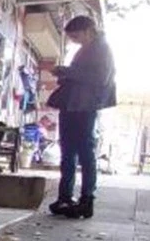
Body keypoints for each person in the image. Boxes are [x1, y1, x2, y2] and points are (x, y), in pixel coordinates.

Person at [46, 15, 117, 220]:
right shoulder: (86, 49)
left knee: (85, 152)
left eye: (76, 36)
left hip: (85, 106)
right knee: (67, 151)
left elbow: (100, 78)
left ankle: (87, 199)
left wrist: (68, 72)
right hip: (72, 104)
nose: (75, 40)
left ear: (88, 30)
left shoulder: (102, 49)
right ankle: (65, 196)